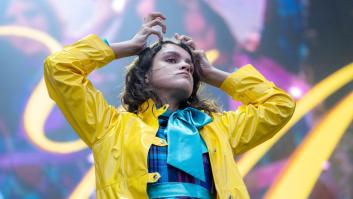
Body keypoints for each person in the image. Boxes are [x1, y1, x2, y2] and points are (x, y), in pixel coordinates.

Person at [44, 12, 295, 198]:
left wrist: (213, 73)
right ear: (145, 76)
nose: (185, 66)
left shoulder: (218, 128)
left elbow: (279, 106)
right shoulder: (110, 127)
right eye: (172, 60)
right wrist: (126, 47)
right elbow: (60, 69)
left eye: (189, 64)